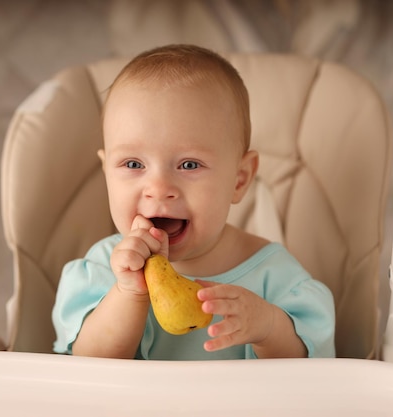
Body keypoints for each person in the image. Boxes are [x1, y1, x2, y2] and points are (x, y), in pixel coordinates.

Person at [52, 44, 335, 360]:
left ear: (239, 180)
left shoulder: (273, 274)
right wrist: (128, 294)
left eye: (189, 165)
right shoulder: (104, 269)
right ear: (106, 172)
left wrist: (269, 328)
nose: (158, 189)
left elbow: (313, 370)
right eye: (133, 164)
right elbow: (86, 366)